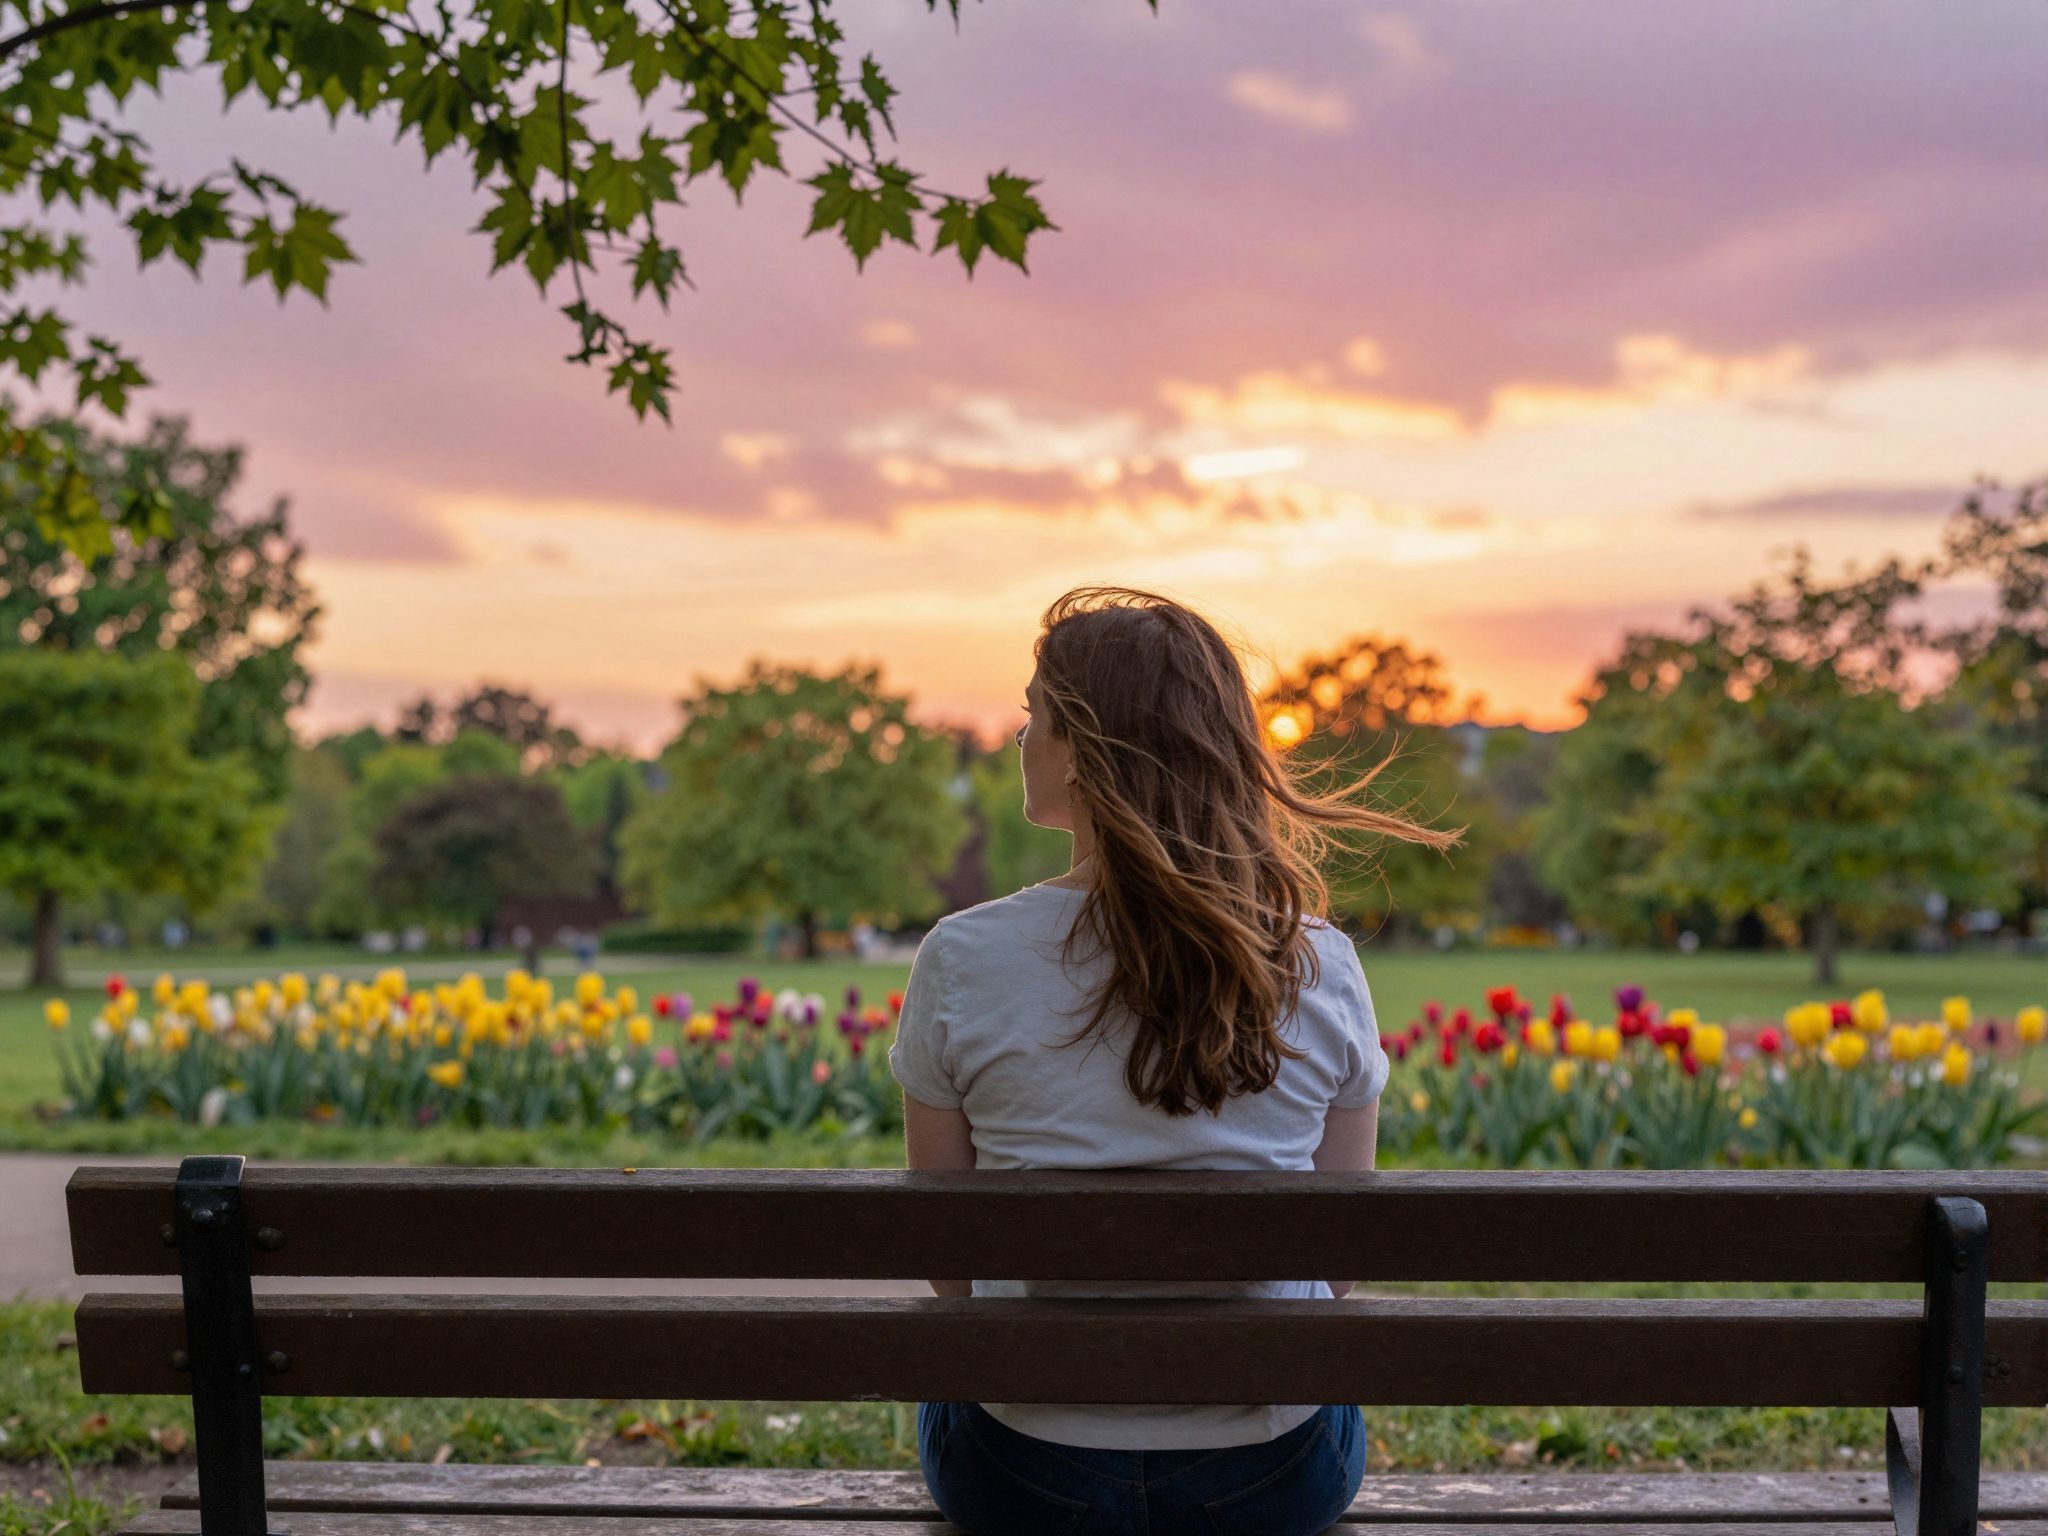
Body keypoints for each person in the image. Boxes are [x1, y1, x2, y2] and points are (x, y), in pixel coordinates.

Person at [889, 586, 1460, 1536]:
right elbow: (1340, 1263)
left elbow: (950, 1268)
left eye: (1035, 715)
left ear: (1084, 748)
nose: (1017, 738)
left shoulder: (961, 958)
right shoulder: (1317, 960)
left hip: (1023, 1466)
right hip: (1266, 1473)